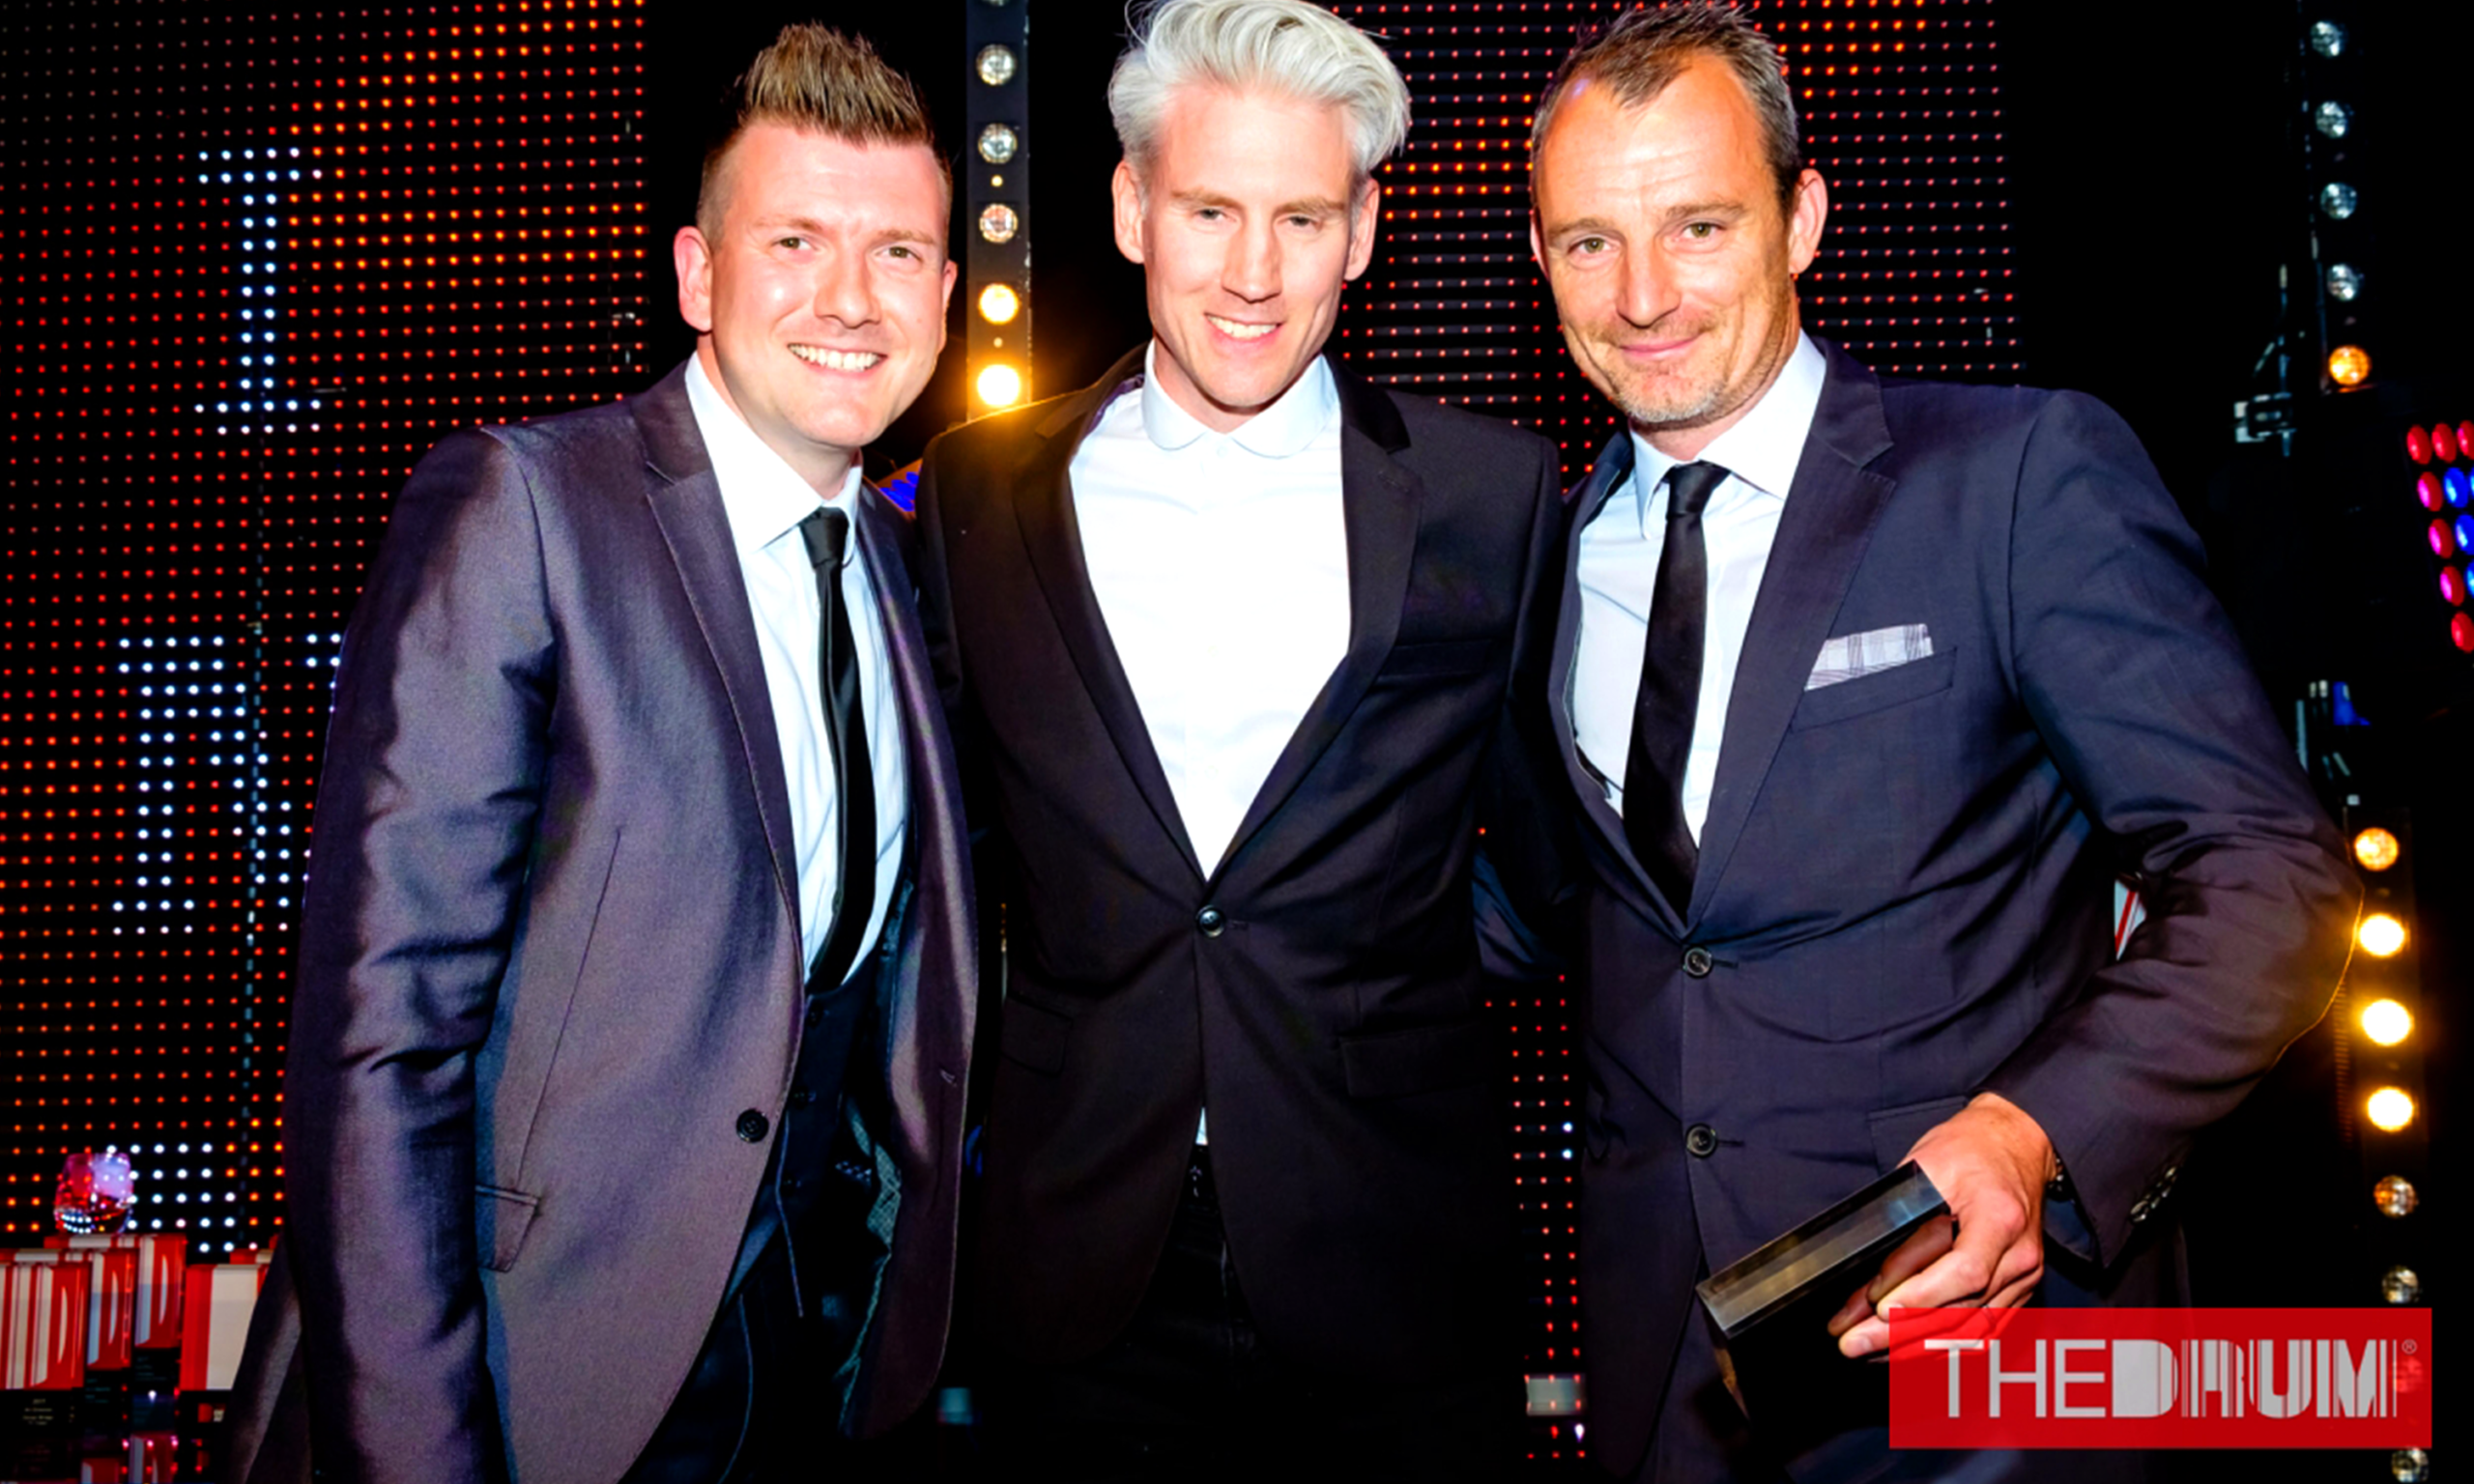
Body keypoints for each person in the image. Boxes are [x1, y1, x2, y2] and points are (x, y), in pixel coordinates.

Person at [1524, 6, 2358, 1480]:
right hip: (1673, 1385)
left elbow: (2271, 878)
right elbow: (1538, 901)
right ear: (1541, 256)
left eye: (1699, 226)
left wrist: (2036, 1130)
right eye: (1592, 241)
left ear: (1802, 219)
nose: (1644, 294)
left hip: (1996, 1373)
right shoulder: (1537, 550)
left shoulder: (2016, 475)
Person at [224, 26, 977, 1484]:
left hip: (805, 1374)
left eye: (896, 253)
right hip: (532, 1377)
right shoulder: (525, 506)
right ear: (698, 275)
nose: (849, 298)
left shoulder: (904, 574)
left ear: (945, 298)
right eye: (796, 242)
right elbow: (383, 1044)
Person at [912, 0, 1562, 1473]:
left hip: (1396, 1259)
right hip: (1078, 1273)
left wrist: (1374, 976)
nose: (1255, 273)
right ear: (1133, 209)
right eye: (1210, 211)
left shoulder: (1491, 494)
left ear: (1364, 230)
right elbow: (946, 867)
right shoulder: (979, 494)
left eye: (1302, 217)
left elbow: (1548, 865)